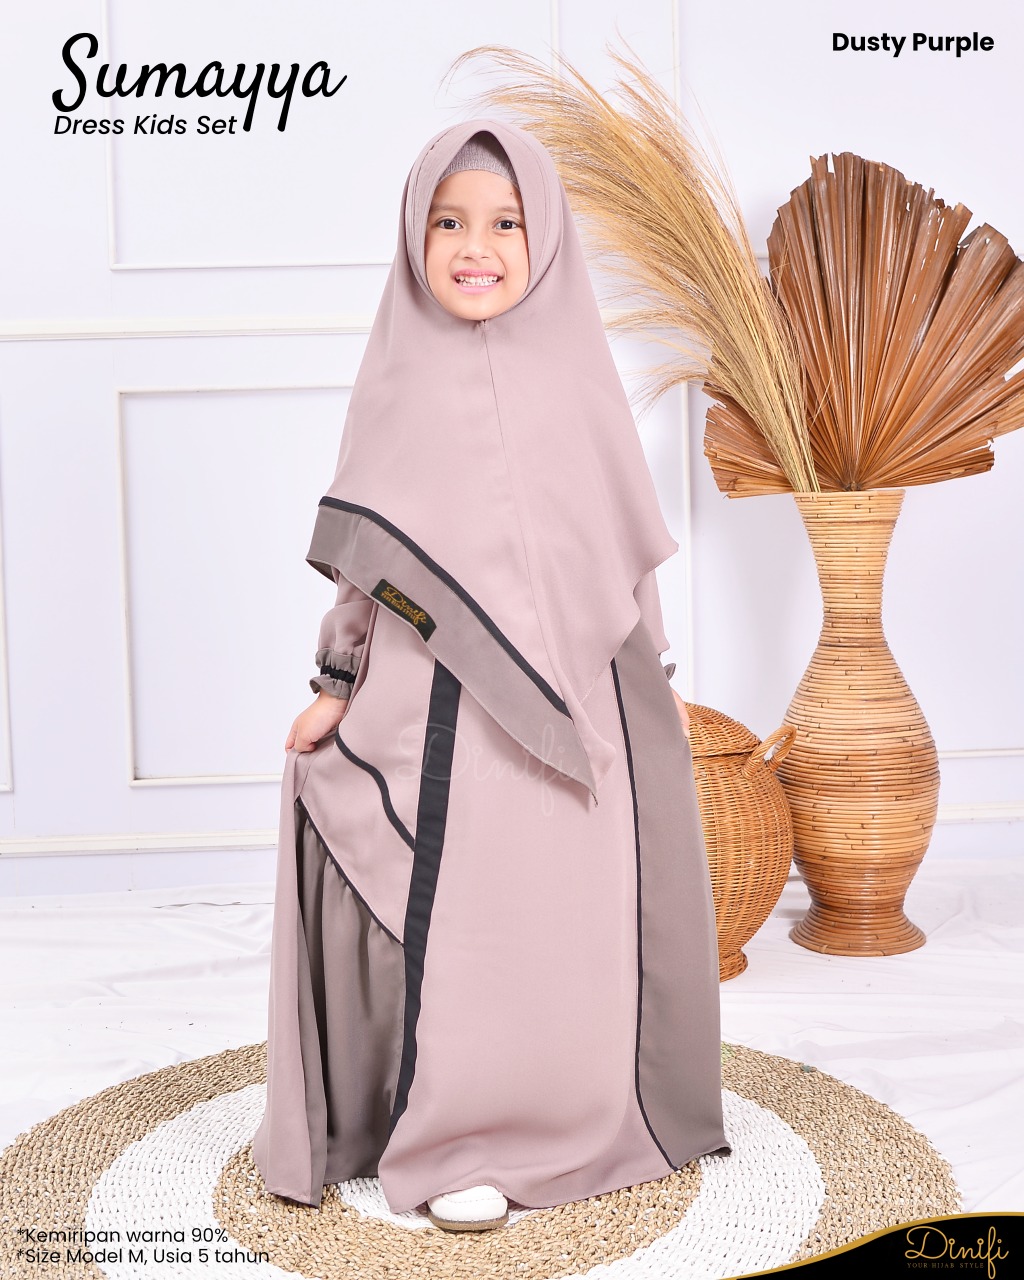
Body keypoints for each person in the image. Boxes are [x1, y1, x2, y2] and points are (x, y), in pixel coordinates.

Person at [251, 118, 731, 1233]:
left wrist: (652, 682)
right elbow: (367, 569)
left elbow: (619, 552)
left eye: (506, 222)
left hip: (580, 703)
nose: (477, 247)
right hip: (441, 715)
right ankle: (458, 1135)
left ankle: (579, 1110)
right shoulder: (397, 379)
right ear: (413, 238)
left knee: (571, 918)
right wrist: (334, 684)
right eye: (449, 222)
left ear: (544, 234)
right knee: (466, 922)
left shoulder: (578, 377)